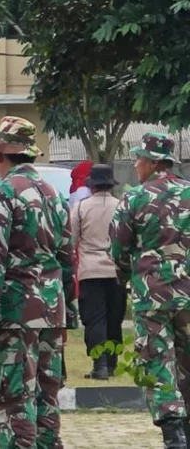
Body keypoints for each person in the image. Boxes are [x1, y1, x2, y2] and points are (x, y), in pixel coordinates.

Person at [0, 116, 76, 449]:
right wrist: (67, 316)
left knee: (11, 399)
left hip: (14, 312)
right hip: (51, 309)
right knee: (46, 398)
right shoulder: (53, 194)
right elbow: (67, 259)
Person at [111, 132, 190, 448]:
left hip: (151, 295)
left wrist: (124, 278)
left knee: (157, 361)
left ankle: (172, 432)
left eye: (139, 158)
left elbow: (118, 248)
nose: (135, 164)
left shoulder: (134, 198)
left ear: (154, 162)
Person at [72, 163, 124, 381]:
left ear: (91, 185)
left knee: (95, 320)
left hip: (90, 271)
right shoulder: (121, 206)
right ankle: (112, 363)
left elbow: (72, 240)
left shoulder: (81, 208)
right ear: (111, 184)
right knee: (115, 319)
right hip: (117, 272)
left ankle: (99, 365)